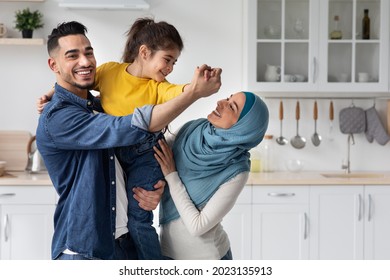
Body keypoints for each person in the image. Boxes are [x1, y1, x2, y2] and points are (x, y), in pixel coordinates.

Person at [36, 21, 222, 260]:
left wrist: (152, 187)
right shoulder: (58, 117)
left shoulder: (96, 105)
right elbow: (123, 127)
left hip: (123, 243)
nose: (85, 61)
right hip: (85, 251)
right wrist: (195, 93)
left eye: (88, 52)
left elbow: (120, 163)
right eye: (72, 55)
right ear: (54, 65)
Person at [148, 91, 269, 260]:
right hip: (167, 253)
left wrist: (171, 176)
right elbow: (155, 158)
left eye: (231, 106)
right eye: (228, 98)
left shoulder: (237, 169)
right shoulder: (191, 130)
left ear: (242, 127)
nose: (220, 102)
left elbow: (197, 226)